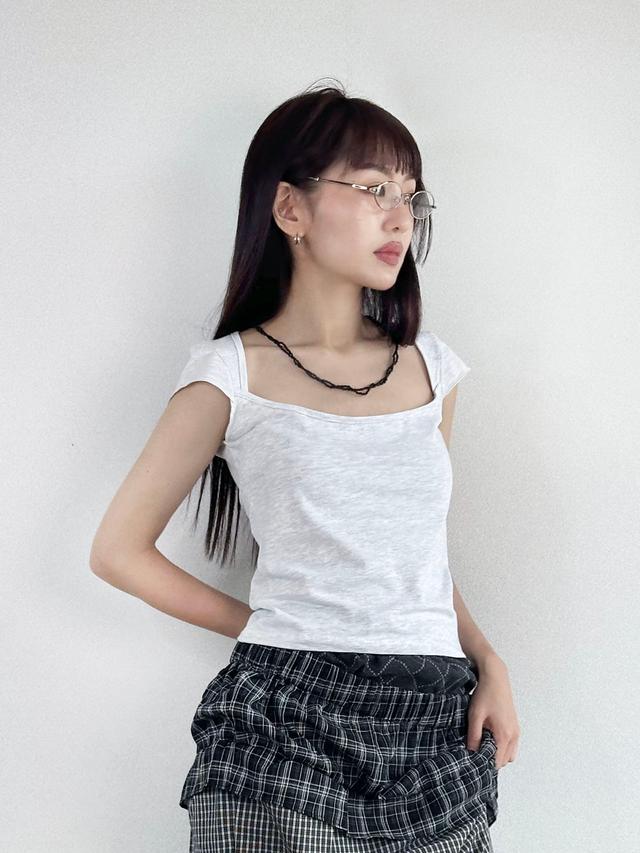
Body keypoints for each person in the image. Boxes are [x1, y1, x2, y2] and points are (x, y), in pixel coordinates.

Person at [90, 78, 520, 852]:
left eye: (411, 197)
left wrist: (490, 660)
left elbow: (415, 555)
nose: (401, 217)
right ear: (290, 208)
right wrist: (270, 628)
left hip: (433, 722)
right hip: (282, 722)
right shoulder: (230, 373)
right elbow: (118, 550)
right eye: (375, 188)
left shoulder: (432, 371)